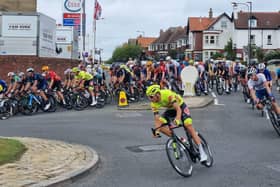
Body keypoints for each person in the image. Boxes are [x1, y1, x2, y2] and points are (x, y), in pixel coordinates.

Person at [146, 85, 208, 162]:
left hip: (180, 106)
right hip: (171, 110)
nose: (150, 99)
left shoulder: (168, 94)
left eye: (151, 97)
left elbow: (178, 109)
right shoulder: (153, 103)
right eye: (148, 97)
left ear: (157, 94)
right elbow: (156, 118)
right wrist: (157, 131)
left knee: (188, 125)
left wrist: (178, 119)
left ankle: (202, 152)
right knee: (161, 125)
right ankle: (179, 139)